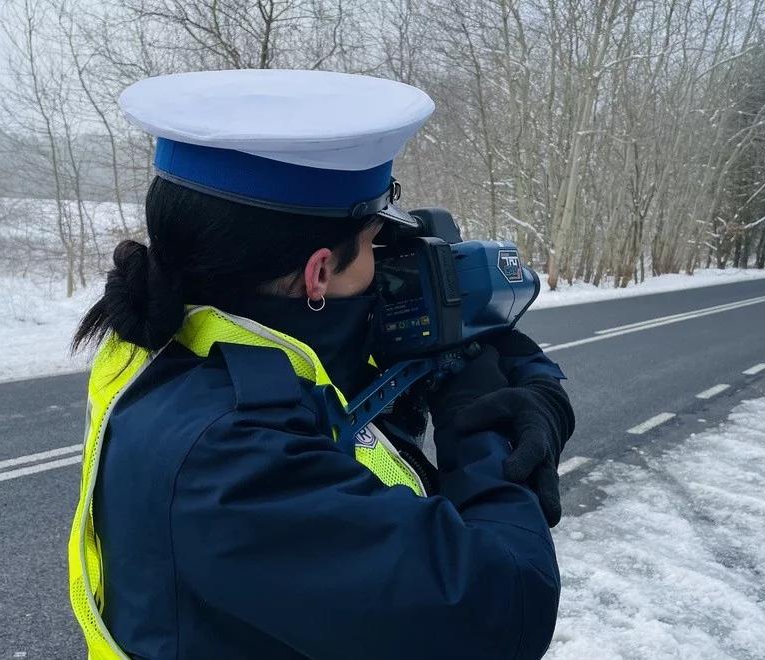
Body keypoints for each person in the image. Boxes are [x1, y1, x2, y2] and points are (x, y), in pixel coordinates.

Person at [67, 69, 575, 660]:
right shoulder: (234, 458)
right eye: (372, 246)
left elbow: (396, 366)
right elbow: (504, 609)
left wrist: (534, 383)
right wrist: (481, 429)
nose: (380, 273)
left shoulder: (179, 341)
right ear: (317, 272)